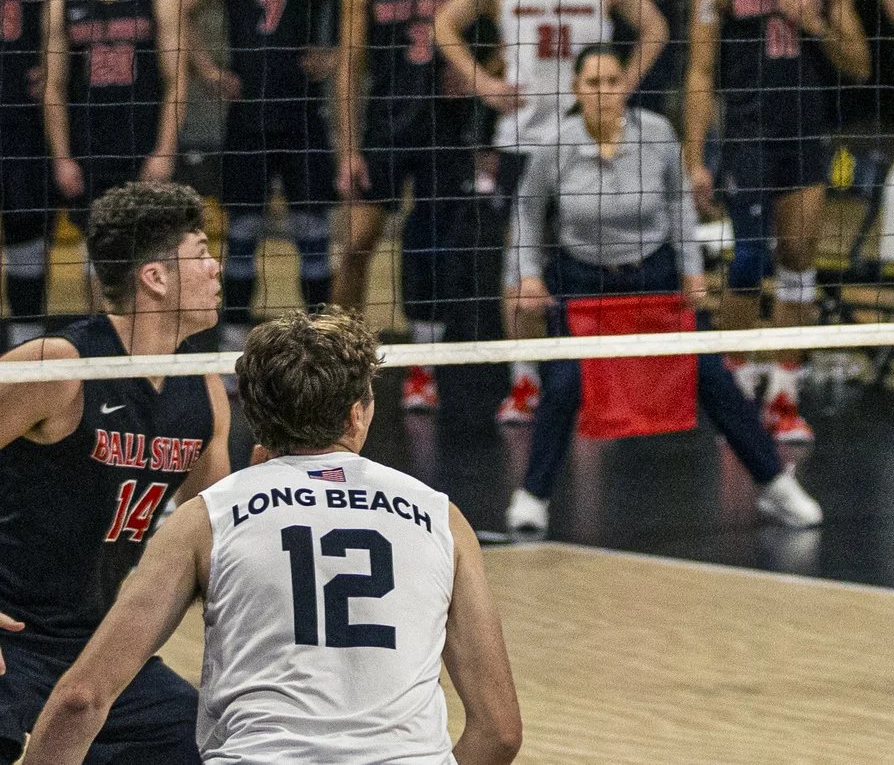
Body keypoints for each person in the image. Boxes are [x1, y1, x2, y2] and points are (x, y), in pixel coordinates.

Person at [17, 307, 524, 765]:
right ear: (356, 415)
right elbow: (499, 733)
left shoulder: (206, 517)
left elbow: (83, 698)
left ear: (256, 414)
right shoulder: (441, 517)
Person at [502, 44, 820, 537]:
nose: (604, 92)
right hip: (584, 282)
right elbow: (526, 212)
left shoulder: (657, 134)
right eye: (593, 83)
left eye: (613, 81)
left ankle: (776, 486)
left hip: (654, 278)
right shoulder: (555, 145)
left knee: (712, 377)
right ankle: (533, 497)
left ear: (626, 86)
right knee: (564, 384)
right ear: (576, 89)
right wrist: (527, 274)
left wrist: (692, 270)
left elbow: (678, 206)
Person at [0, 183, 230, 764]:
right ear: (155, 277)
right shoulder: (59, 364)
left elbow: (224, 537)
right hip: (10, 639)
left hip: (99, 646)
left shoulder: (204, 391)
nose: (216, 267)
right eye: (200, 252)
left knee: (211, 746)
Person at [429, 0, 668, 424]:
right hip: (523, 140)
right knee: (520, 262)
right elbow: (445, 25)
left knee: (596, 256)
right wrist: (483, 84)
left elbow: (655, 27)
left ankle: (589, 374)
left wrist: (623, 83)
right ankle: (525, 383)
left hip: (591, 140)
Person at [682, 0, 869, 444]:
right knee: (746, 260)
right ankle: (736, 390)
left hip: (805, 135)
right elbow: (699, 72)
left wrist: (814, 24)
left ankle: (785, 396)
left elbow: (859, 62)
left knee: (798, 258)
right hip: (745, 136)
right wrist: (695, 158)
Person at [179, 0, 359, 336]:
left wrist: (337, 55)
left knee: (314, 237)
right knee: (239, 236)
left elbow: (357, 16)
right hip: (246, 116)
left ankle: (322, 341)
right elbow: (177, 11)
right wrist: (207, 70)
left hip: (303, 113)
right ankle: (233, 345)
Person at [336, 0, 477, 414]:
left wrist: (475, 71)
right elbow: (351, 66)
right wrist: (348, 147)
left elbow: (490, 44)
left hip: (445, 127)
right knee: (357, 243)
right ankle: (344, 358)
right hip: (386, 126)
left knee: (432, 246)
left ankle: (422, 368)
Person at [43, 0, 185, 258]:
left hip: (144, 145)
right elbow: (54, 87)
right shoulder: (63, 2)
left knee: (150, 255)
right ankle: (100, 318)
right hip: (88, 147)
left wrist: (165, 151)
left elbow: (176, 82)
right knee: (98, 254)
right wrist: (62, 158)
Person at [0, 0, 57, 345]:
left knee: (26, 229)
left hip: (22, 118)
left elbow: (62, 19)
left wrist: (49, 62)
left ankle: (26, 344)